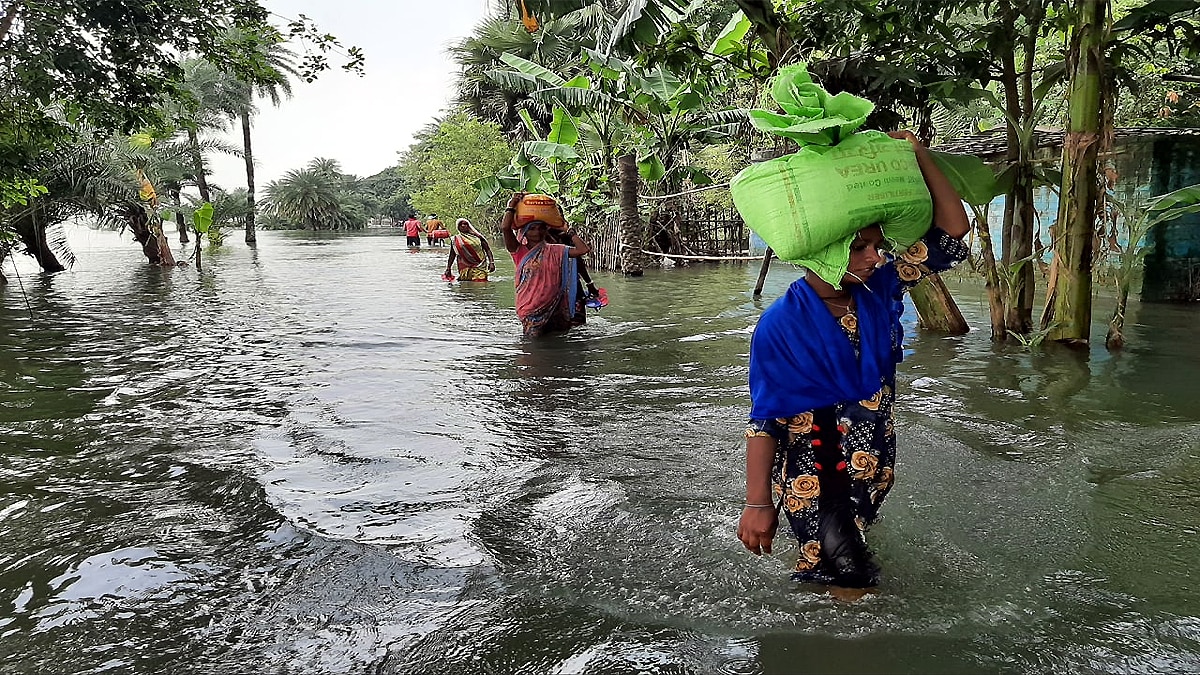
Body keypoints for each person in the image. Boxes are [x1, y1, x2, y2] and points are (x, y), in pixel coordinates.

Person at [736, 130, 971, 596]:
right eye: (860, 247)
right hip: (818, 472)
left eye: (876, 245)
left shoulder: (878, 290)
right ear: (824, 253)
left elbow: (954, 233)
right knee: (852, 583)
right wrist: (757, 502)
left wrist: (919, 154)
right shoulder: (780, 327)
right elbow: (765, 419)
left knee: (836, 569)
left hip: (874, 459)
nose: (875, 256)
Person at [500, 192, 592, 337]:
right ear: (524, 231)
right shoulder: (518, 250)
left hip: (556, 307)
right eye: (532, 228)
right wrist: (511, 205)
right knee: (532, 347)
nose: (537, 232)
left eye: (541, 227)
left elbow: (583, 250)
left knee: (558, 346)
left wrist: (568, 231)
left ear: (546, 229)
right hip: (530, 310)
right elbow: (505, 228)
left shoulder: (556, 250)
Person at [444, 218, 496, 282]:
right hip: (464, 268)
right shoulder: (455, 239)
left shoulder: (478, 237)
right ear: (458, 227)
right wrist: (448, 268)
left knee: (481, 285)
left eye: (465, 224)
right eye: (460, 224)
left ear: (468, 225)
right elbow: (452, 255)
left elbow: (488, 250)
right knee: (466, 288)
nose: (463, 225)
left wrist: (491, 263)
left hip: (479, 266)